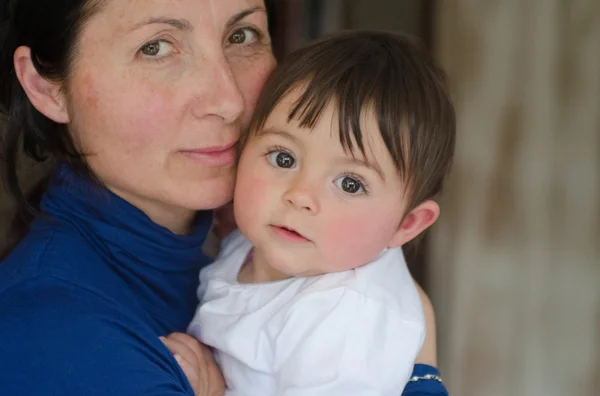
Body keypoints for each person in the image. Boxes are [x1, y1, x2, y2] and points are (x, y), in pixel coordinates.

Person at [0, 1, 448, 395]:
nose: (229, 100)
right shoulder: (62, 337)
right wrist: (422, 375)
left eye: (242, 35)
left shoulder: (251, 250)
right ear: (45, 86)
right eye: (156, 47)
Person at [162, 31, 455, 396]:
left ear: (406, 224)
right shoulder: (252, 243)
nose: (300, 196)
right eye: (283, 158)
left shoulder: (346, 321)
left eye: (350, 184)